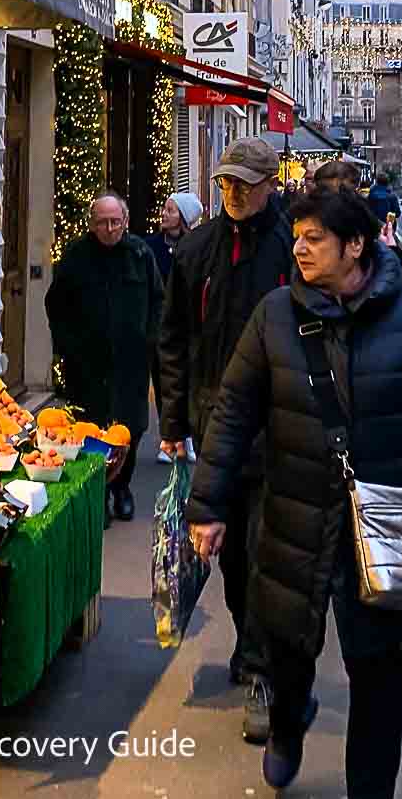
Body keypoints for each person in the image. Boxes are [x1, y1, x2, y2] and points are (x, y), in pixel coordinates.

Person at [185, 187, 402, 799]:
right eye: (297, 236)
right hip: (294, 515)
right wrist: (208, 504)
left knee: (378, 673)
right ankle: (288, 724)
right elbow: (234, 413)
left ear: (355, 246)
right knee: (288, 649)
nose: (298, 248)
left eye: (313, 238)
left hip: (385, 526)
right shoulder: (275, 315)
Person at [158, 137, 293, 744]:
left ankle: (264, 671)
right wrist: (172, 422)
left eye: (245, 183)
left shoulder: (292, 246)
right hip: (215, 420)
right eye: (226, 183)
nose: (234, 192)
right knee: (232, 555)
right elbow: (173, 339)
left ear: (270, 186)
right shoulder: (196, 250)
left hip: (280, 423)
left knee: (266, 550)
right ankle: (249, 642)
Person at [45, 192, 162, 523]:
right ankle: (98, 492)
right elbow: (56, 305)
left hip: (130, 363)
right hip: (87, 365)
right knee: (90, 429)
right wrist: (68, 347)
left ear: (125, 222)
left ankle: (122, 488)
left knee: (130, 428)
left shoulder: (140, 254)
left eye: (115, 222)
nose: (109, 229)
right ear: (92, 224)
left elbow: (158, 300)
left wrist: (148, 340)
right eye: (102, 222)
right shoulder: (75, 257)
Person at [145, 192, 203, 463]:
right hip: (161, 327)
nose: (164, 214)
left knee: (189, 382)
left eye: (171, 210)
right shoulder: (151, 246)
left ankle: (187, 437)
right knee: (163, 382)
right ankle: (167, 440)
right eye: (164, 208)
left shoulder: (195, 247)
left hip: (190, 327)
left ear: (184, 217)